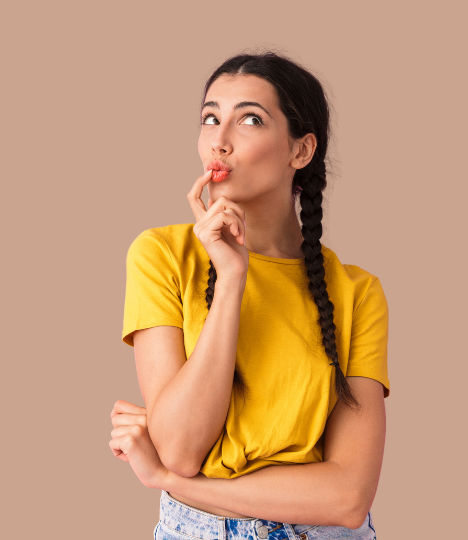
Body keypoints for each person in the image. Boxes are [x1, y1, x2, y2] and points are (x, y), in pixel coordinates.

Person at [109, 50, 388, 540]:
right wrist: (232, 277)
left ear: (300, 152)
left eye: (249, 120)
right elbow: (181, 446)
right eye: (210, 118)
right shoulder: (161, 255)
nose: (219, 141)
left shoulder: (355, 292)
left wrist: (169, 481)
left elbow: (347, 498)